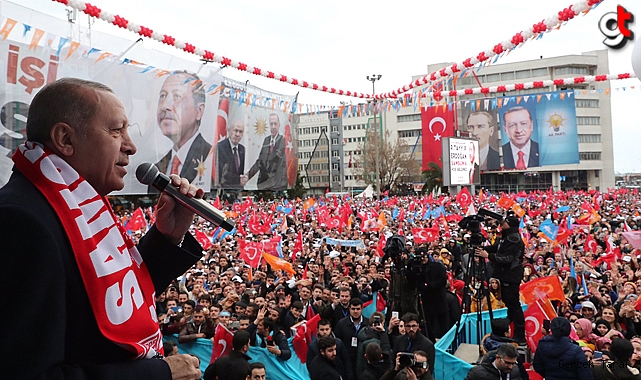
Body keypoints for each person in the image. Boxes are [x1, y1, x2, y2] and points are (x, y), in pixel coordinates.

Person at [0, 78, 202, 379]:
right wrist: (158, 374)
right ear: (65, 139)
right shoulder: (21, 222)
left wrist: (166, 237)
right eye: (116, 131)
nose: (131, 146)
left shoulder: (75, 205)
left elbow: (104, 301)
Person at [154, 71, 211, 186]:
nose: (165, 106)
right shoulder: (158, 168)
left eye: (177, 96)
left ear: (199, 111)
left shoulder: (210, 157)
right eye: (163, 96)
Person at [475, 215, 526, 343]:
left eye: (504, 222)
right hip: (505, 275)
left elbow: (507, 258)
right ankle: (505, 328)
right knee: (510, 305)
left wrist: (488, 256)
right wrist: (484, 249)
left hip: (511, 276)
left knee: (514, 306)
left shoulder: (513, 238)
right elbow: (497, 248)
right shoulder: (506, 236)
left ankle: (520, 335)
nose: (501, 223)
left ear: (510, 224)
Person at [242, 113, 287, 190]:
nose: (273, 127)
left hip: (275, 185)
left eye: (275, 124)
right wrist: (247, 176)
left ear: (279, 125)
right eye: (271, 124)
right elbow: (260, 162)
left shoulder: (283, 140)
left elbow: (276, 161)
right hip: (263, 184)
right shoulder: (266, 140)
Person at [215, 119, 246, 189]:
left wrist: (243, 178)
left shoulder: (242, 149)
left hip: (238, 189)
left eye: (240, 132)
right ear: (229, 131)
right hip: (224, 188)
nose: (237, 134)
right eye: (235, 130)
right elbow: (222, 173)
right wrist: (239, 179)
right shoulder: (220, 147)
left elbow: (240, 172)